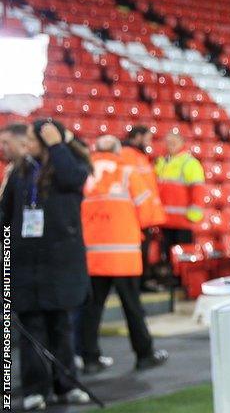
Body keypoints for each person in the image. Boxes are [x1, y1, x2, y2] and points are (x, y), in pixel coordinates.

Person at [1, 119, 92, 409]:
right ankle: (35, 389)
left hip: (60, 263)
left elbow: (72, 179)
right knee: (32, 328)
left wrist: (57, 144)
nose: (26, 143)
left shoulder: (71, 167)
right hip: (26, 264)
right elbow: (5, 215)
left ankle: (66, 386)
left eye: (32, 137)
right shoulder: (20, 172)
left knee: (60, 326)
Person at [79, 135, 168, 374]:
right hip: (123, 254)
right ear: (118, 151)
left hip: (93, 255)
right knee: (132, 307)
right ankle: (144, 354)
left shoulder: (83, 174)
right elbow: (149, 213)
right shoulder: (127, 171)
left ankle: (89, 358)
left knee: (91, 309)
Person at [154, 130, 205, 284]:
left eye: (173, 143)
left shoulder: (189, 163)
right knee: (167, 253)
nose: (170, 146)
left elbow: (198, 190)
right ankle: (170, 281)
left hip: (182, 220)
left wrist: (194, 214)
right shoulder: (161, 162)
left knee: (182, 254)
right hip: (165, 219)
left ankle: (183, 282)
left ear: (182, 143)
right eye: (168, 143)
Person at [122, 124, 166, 290]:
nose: (149, 143)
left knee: (145, 251)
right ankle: (137, 284)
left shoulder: (140, 156)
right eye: (147, 139)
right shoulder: (127, 155)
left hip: (145, 215)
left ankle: (141, 282)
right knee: (138, 252)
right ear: (138, 137)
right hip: (136, 216)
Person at [1, 122, 29, 195]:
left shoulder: (33, 170)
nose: (1, 147)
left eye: (5, 143)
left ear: (23, 143)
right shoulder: (11, 168)